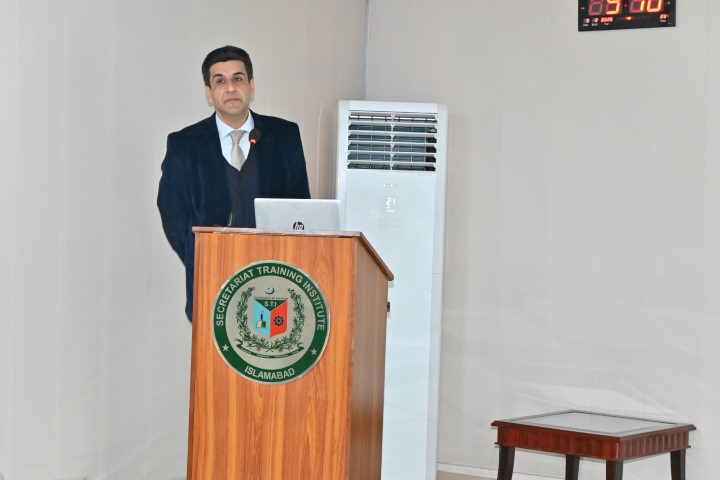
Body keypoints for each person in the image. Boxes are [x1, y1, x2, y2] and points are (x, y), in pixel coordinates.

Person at [157, 46, 311, 320]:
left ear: (251, 86)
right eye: (220, 81)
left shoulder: (284, 136)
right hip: (213, 282)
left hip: (276, 281)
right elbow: (173, 212)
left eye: (238, 79)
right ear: (209, 92)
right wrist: (201, 257)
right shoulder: (185, 144)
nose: (230, 88)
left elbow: (300, 206)